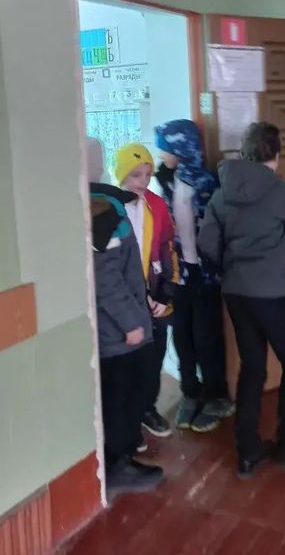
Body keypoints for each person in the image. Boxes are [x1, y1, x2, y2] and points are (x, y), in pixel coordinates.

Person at [199, 122, 285, 478]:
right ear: (276, 153)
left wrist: (232, 263)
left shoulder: (221, 193)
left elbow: (207, 242)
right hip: (270, 292)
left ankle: (248, 452)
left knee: (253, 366)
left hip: (235, 291)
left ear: (244, 152)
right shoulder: (282, 192)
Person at [86, 138, 164, 492]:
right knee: (122, 395)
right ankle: (119, 465)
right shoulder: (102, 207)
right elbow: (106, 279)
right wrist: (132, 322)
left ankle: (121, 458)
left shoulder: (100, 201)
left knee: (124, 392)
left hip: (117, 320)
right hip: (116, 329)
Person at [154, 120, 234, 433]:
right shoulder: (167, 181)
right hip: (179, 273)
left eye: (166, 149)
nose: (161, 156)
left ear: (182, 148)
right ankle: (190, 390)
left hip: (205, 274)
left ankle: (217, 395)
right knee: (182, 334)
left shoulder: (206, 182)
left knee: (206, 337)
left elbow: (217, 229)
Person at [114, 143, 180, 443]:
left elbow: (168, 249)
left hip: (155, 297)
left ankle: (147, 408)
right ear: (121, 175)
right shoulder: (109, 209)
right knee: (128, 362)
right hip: (126, 300)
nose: (142, 181)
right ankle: (127, 421)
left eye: (147, 174)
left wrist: (165, 293)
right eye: (135, 175)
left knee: (154, 356)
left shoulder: (157, 206)